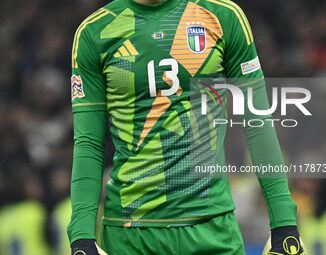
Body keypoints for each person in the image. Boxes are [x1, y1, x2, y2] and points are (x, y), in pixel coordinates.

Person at [67, 0, 305, 254]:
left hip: (212, 230)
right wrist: (81, 236)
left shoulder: (222, 16)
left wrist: (284, 225)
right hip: (130, 235)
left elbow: (257, 123)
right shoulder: (94, 32)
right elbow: (89, 143)